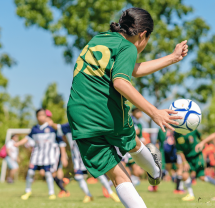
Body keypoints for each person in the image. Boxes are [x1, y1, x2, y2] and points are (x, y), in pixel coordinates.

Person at [67, 7, 188, 208]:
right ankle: (156, 171)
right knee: (131, 142)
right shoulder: (128, 47)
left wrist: (172, 58)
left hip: (78, 114)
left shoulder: (101, 38)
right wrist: (154, 112)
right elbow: (121, 82)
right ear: (143, 34)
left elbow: (130, 70)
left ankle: (155, 171)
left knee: (117, 175)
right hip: (105, 109)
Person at [58, 122, 121, 203]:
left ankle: (110, 192)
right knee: (78, 177)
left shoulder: (87, 122)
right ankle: (88, 195)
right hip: (77, 157)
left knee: (99, 174)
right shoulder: (67, 126)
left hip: (90, 155)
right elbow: (57, 127)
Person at [15, 108, 65, 200]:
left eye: (43, 115)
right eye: (39, 115)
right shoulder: (34, 129)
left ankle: (51, 193)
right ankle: (27, 191)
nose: (41, 117)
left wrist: (63, 156)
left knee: (48, 174)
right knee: (30, 172)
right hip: (36, 155)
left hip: (48, 156)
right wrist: (18, 143)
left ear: (46, 116)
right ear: (37, 117)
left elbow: (61, 141)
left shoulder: (52, 128)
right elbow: (27, 138)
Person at [175, 129, 215, 201]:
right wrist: (184, 162)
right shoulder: (177, 134)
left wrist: (203, 145)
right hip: (187, 158)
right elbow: (180, 150)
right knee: (184, 175)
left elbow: (203, 139)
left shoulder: (193, 130)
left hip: (197, 156)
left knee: (201, 177)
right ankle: (190, 194)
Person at [44, 111, 70, 198]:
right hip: (47, 154)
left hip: (55, 154)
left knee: (54, 172)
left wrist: (63, 156)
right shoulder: (42, 129)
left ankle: (63, 189)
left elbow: (61, 142)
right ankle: (63, 183)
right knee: (46, 172)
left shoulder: (54, 129)